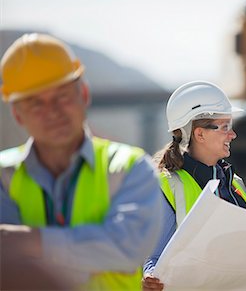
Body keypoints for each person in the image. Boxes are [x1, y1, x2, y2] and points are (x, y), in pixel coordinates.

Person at [0, 33, 175, 290]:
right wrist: (94, 248)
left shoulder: (131, 167)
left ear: (83, 93)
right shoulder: (3, 174)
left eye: (62, 96)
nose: (53, 112)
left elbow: (126, 249)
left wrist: (29, 240)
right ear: (17, 113)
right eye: (36, 103)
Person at [142, 81, 246, 291]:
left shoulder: (235, 183)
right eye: (225, 127)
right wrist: (150, 277)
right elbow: (154, 258)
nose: (233, 135)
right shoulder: (167, 185)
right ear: (200, 134)